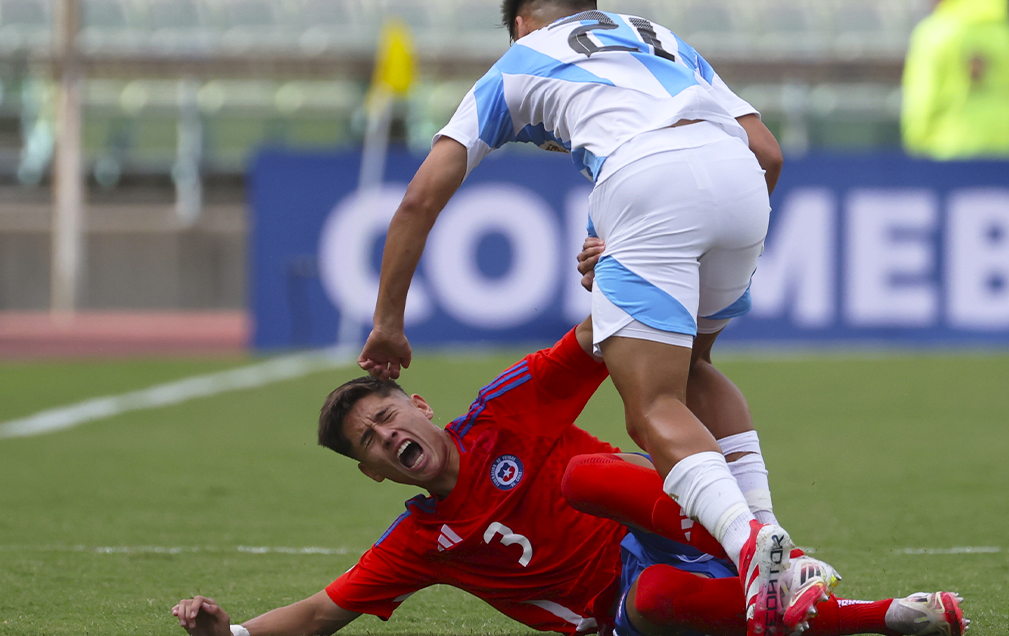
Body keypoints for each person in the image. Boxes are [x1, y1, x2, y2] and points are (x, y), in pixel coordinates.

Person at [354, 2, 795, 631]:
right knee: (693, 368)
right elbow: (768, 153)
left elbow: (421, 197)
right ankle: (772, 540)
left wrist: (388, 322)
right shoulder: (658, 36)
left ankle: (755, 551)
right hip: (740, 178)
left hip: (644, 176)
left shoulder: (518, 63)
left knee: (653, 407)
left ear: (524, 23)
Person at [172, 320, 967, 636]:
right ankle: (880, 617)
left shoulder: (505, 409)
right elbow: (317, 613)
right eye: (370, 445)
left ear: (417, 403)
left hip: (674, 523)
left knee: (588, 472)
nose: (388, 438)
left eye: (386, 417)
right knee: (654, 603)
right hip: (624, 609)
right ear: (376, 475)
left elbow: (597, 335)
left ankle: (756, 542)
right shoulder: (421, 543)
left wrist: (607, 266)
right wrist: (231, 634)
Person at [901, 0, 1009, 159]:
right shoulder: (1006, 32)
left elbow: (923, 96)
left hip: (945, 148)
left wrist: (917, 143)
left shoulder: (934, 32)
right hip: (1002, 148)